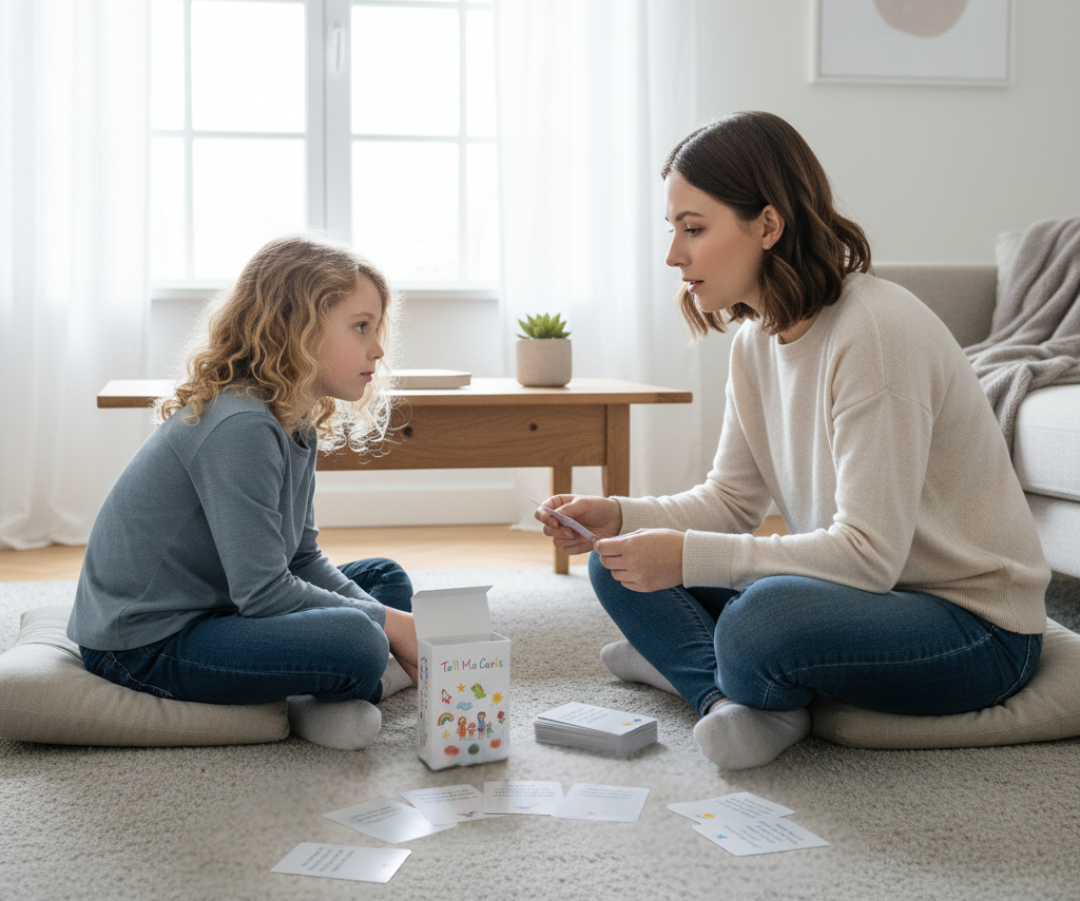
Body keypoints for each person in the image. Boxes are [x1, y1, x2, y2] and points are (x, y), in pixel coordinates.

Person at [536, 111, 1050, 770]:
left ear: (769, 225)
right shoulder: (755, 340)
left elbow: (869, 556)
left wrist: (689, 558)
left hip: (971, 628)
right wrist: (621, 515)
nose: (674, 255)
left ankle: (698, 661)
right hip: (866, 599)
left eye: (694, 229)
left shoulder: (875, 332)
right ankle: (727, 700)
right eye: (674, 230)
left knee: (760, 621)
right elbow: (730, 501)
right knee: (617, 559)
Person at [68, 235, 417, 751]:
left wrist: (389, 619)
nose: (378, 348)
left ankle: (324, 689)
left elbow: (300, 557)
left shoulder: (295, 418)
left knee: (383, 577)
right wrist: (387, 625)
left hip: (222, 605)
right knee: (362, 640)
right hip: (145, 642)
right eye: (360, 327)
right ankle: (340, 693)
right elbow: (266, 592)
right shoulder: (241, 425)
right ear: (298, 328)